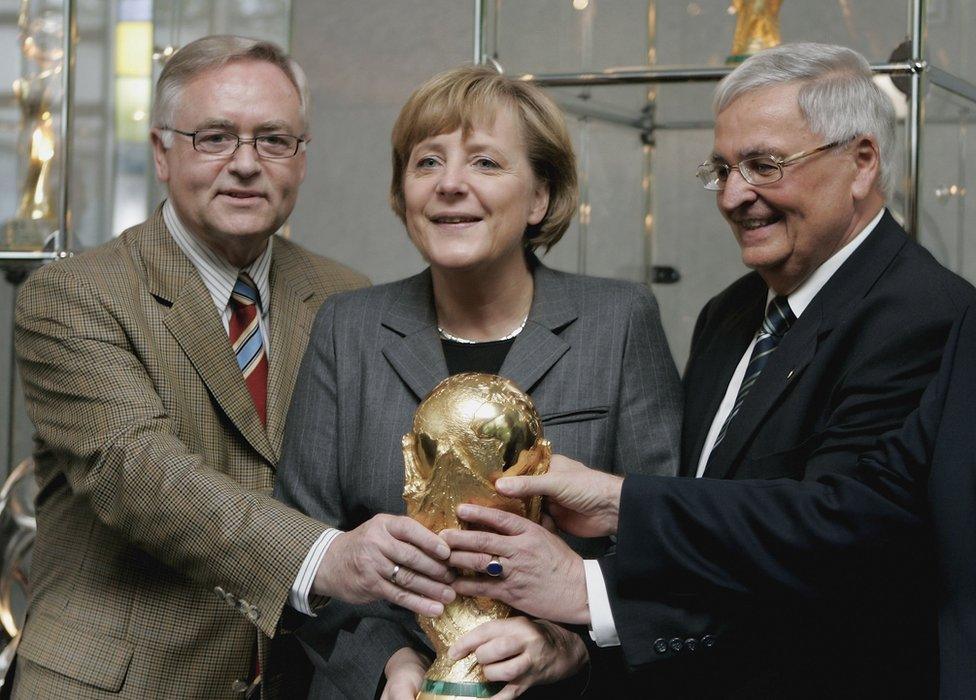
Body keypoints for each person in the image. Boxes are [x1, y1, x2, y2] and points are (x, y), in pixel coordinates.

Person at [442, 42, 976, 698]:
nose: (733, 195)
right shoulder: (732, 313)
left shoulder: (925, 315)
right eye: (720, 169)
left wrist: (612, 518)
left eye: (764, 165)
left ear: (861, 162)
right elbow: (712, 538)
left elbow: (842, 538)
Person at [12, 35, 457, 699]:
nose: (246, 164)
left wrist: (392, 651)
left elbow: (365, 495)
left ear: (301, 161)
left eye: (273, 139)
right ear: (162, 153)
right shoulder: (76, 295)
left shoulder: (344, 297)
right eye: (215, 137)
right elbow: (139, 472)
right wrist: (327, 557)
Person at [273, 65, 682, 700]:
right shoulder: (348, 325)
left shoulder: (620, 320)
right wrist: (389, 665)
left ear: (541, 198)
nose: (450, 186)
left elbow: (666, 539)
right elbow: (300, 544)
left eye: (486, 163)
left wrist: (568, 645)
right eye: (427, 162)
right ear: (403, 191)